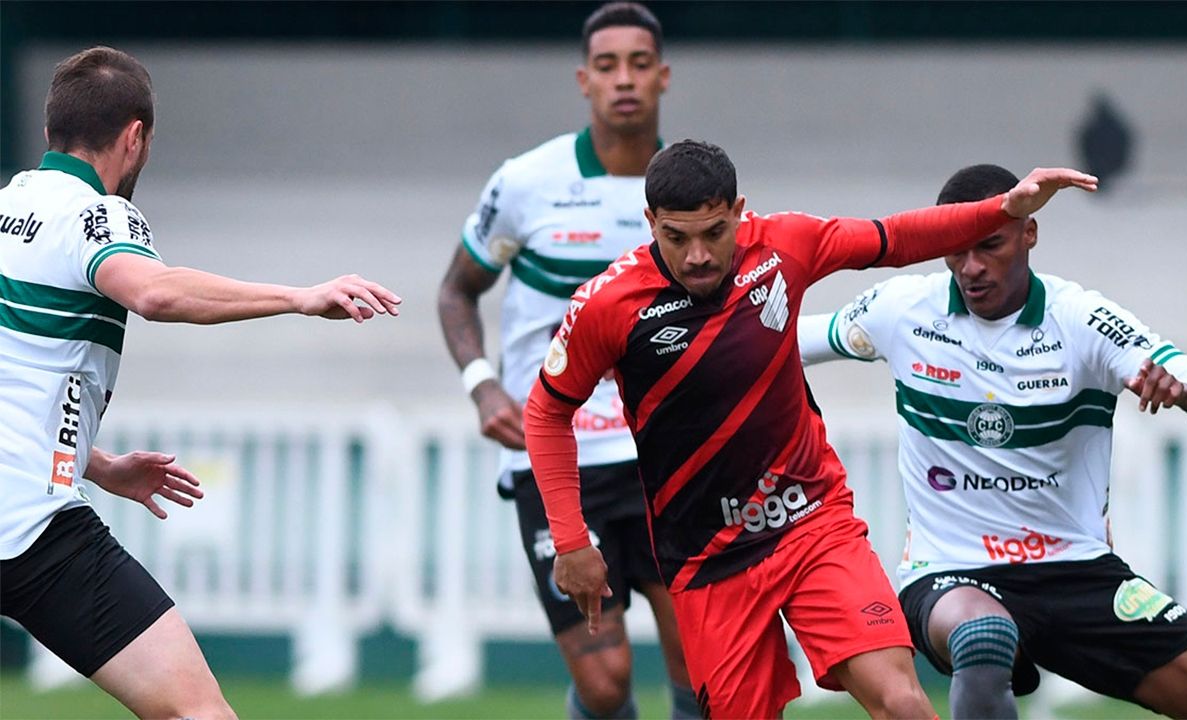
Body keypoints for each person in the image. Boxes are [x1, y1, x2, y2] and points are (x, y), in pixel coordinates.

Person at [523, 140, 1097, 718]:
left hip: (811, 524)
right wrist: (571, 541)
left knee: (901, 700)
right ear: (651, 223)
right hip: (707, 560)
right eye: (677, 237)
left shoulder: (783, 246)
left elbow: (894, 237)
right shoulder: (607, 305)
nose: (697, 255)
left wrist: (1006, 206)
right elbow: (546, 412)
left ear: (739, 212)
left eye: (714, 233)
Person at [0, 46, 400, 719]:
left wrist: (95, 465)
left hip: (27, 500)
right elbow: (153, 292)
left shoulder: (8, 207)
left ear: (49, 135)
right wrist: (301, 296)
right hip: (30, 529)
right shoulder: (97, 215)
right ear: (137, 138)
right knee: (199, 714)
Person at [797, 163, 1187, 719]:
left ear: (1029, 233)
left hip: (1077, 571)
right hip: (951, 572)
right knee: (983, 637)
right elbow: (785, 338)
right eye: (955, 249)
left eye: (990, 246)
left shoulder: (1081, 320)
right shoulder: (902, 311)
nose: (971, 268)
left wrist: (1184, 391)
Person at [435, 4, 694, 718]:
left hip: (663, 460)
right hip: (556, 460)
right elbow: (457, 291)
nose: (625, 80)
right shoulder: (526, 182)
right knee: (605, 683)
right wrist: (482, 385)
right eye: (607, 66)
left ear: (663, 76)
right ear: (584, 80)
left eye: (640, 64)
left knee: (701, 663)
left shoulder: (688, 193)